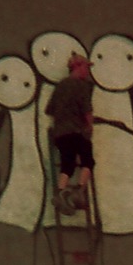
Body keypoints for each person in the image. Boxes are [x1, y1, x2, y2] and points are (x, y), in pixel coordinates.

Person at [46, 52, 94, 216]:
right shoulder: (82, 86)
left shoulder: (60, 86)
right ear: (78, 67)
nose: (87, 71)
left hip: (60, 133)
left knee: (68, 163)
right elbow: (87, 110)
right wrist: (89, 126)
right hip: (76, 130)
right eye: (86, 67)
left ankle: (60, 192)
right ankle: (79, 191)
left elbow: (50, 110)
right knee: (88, 161)